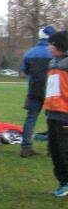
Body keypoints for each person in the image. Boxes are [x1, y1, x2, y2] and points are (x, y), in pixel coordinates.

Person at [20, 25, 56, 157]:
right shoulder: (56, 53)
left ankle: (26, 147)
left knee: (31, 119)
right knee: (53, 120)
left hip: (34, 91)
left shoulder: (30, 53)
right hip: (52, 92)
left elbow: (25, 70)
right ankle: (51, 149)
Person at [44, 30, 68, 197]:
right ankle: (63, 182)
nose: (48, 47)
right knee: (54, 150)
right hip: (52, 113)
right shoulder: (52, 63)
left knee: (62, 150)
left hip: (64, 114)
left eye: (51, 44)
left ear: (59, 45)